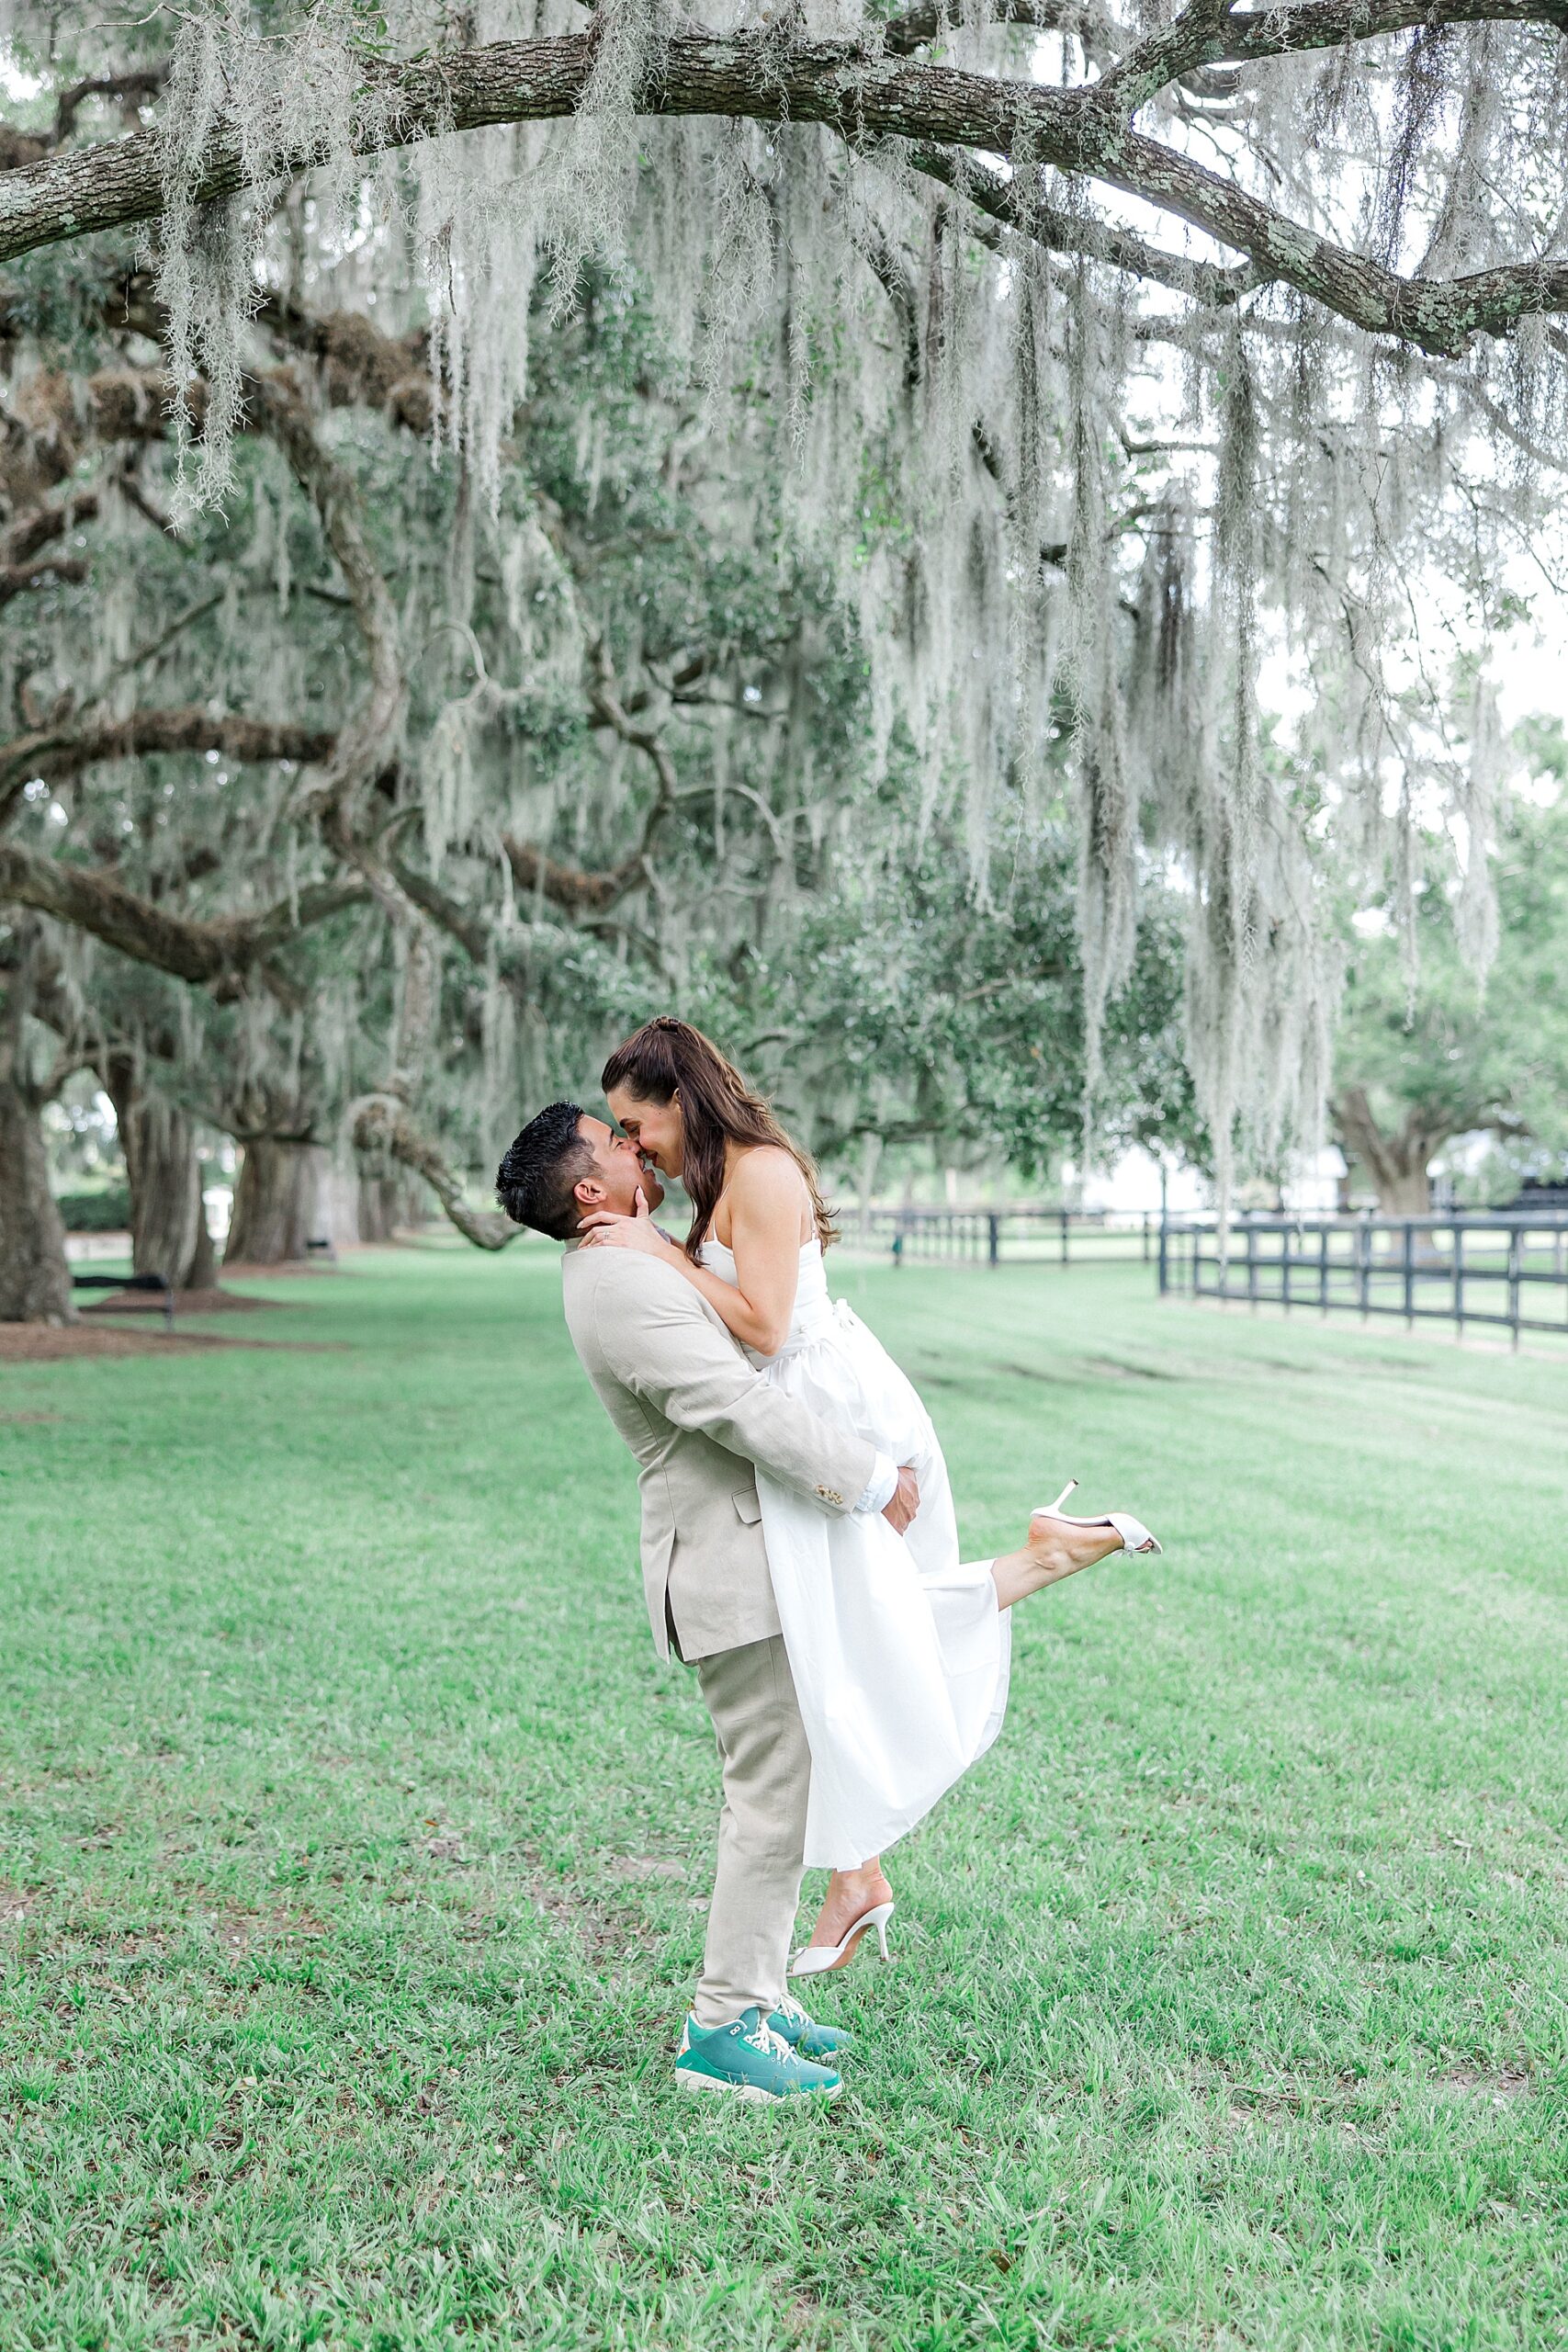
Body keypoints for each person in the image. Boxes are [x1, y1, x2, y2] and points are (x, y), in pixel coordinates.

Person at [496, 1059, 1158, 2106]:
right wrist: (867, 1476)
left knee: (809, 1756)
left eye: (633, 1127)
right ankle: (722, 2027)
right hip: (728, 1561)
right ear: (590, 1187)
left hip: (768, 1550)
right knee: (766, 1801)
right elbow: (732, 1403)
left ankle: (760, 1996)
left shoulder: (634, 1253)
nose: (634, 1146)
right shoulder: (613, 1275)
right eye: (614, 1139)